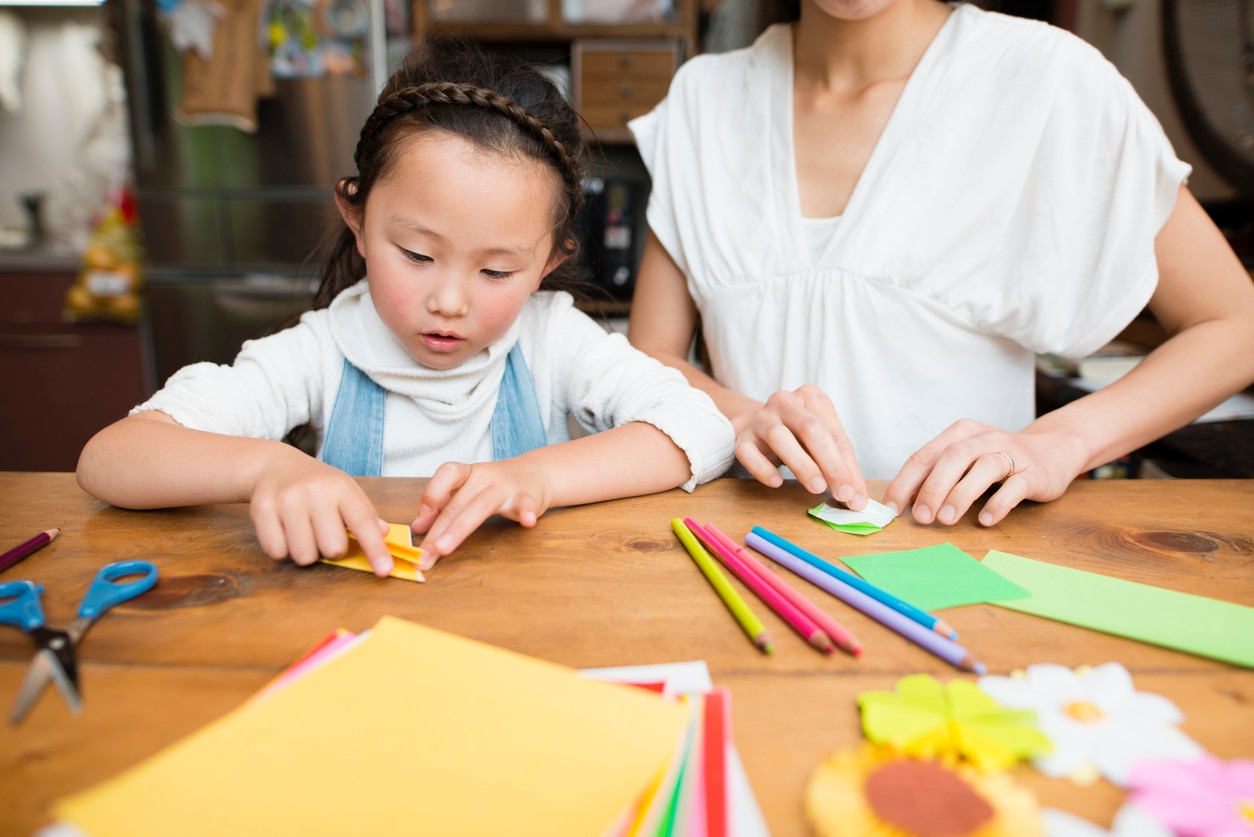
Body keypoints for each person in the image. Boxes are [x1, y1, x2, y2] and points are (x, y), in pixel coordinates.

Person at [76, 39, 735, 576]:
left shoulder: (552, 341)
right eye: (417, 255)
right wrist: (266, 466)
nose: (447, 301)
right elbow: (111, 458)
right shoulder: (320, 352)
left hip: (527, 637)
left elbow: (703, 428)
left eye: (497, 269)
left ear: (549, 262)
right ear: (356, 218)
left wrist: (536, 477)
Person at [627, 0, 1254, 527]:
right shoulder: (703, 98)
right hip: (751, 553)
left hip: (969, 551)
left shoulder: (1046, 79)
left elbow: (1236, 324)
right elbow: (653, 347)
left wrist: (1059, 442)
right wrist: (739, 415)